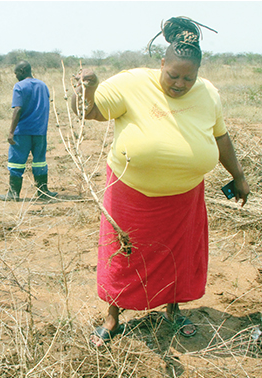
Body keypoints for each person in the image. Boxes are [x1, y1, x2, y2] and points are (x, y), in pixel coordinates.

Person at [71, 17, 250, 347]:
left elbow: (221, 136)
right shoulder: (132, 83)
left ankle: (173, 309)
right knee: (123, 254)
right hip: (131, 194)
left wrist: (237, 175)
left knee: (177, 256)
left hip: (185, 197)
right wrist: (87, 87)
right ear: (162, 63)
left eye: (188, 78)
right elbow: (90, 111)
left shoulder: (208, 93)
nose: (180, 83)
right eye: (173, 75)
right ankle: (112, 317)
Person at [0, 61, 57, 201]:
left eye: (16, 73)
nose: (16, 76)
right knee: (39, 161)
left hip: (23, 131)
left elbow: (17, 109)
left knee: (16, 162)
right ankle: (43, 192)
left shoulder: (19, 86)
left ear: (23, 70)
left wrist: (11, 132)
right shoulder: (43, 86)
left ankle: (14, 193)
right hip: (40, 131)